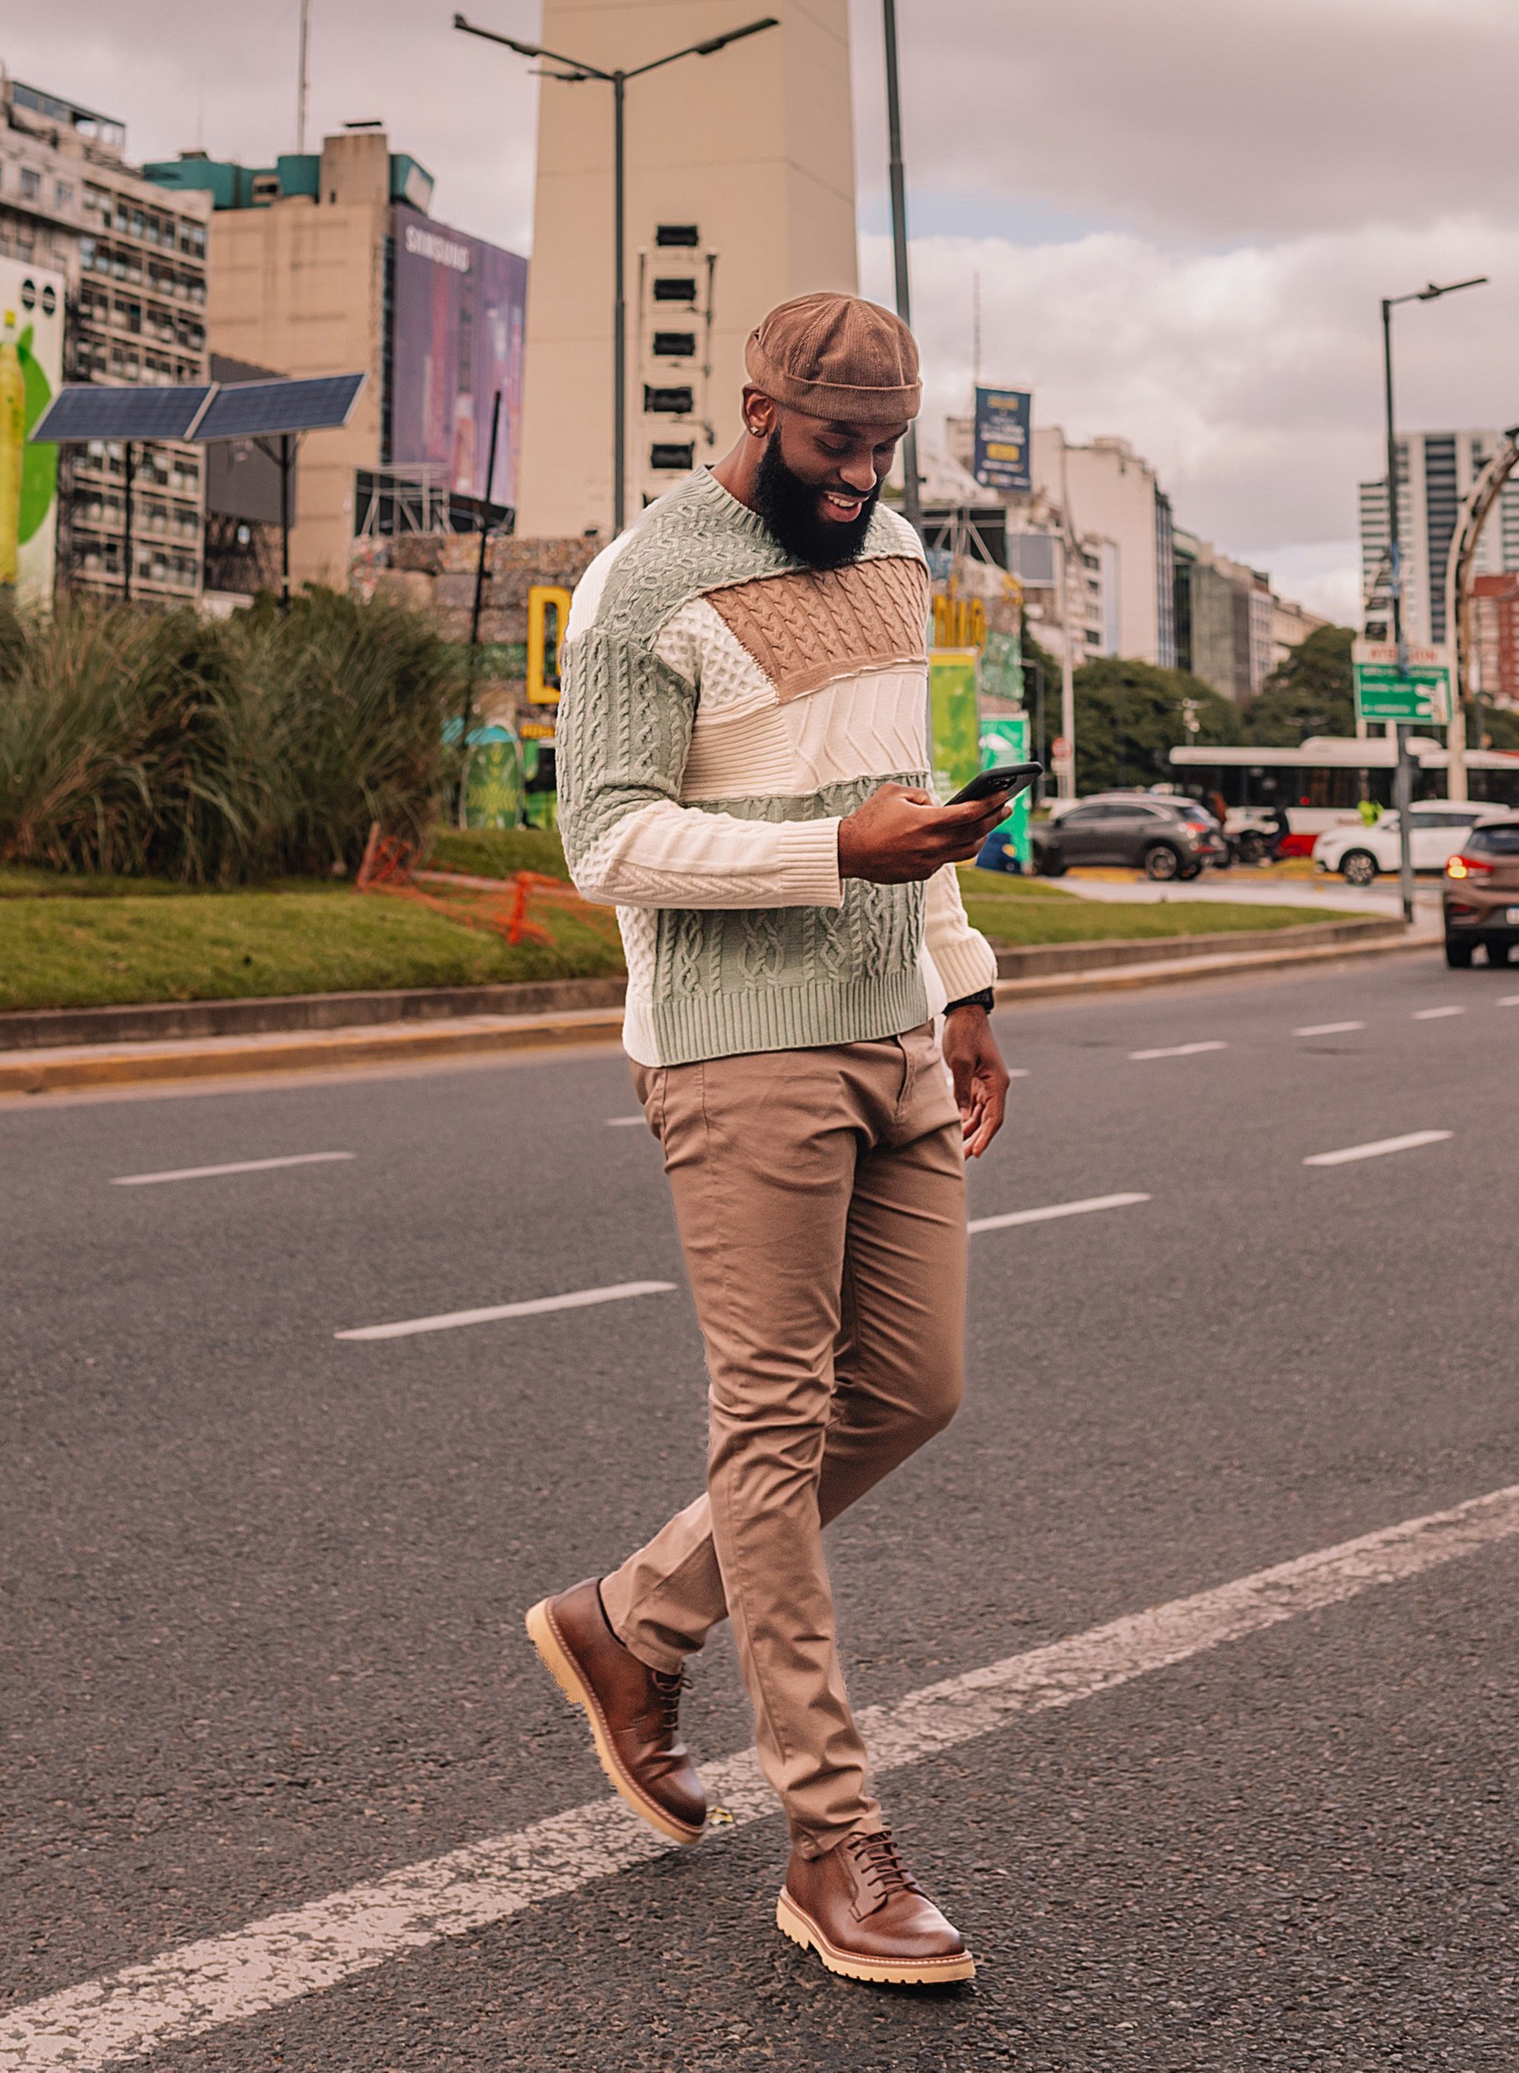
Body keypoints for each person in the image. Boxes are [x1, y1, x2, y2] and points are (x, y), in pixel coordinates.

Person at [525, 293, 1010, 1991]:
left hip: (889, 1027)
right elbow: (602, 841)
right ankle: (832, 1841)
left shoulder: (900, 558)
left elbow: (908, 780)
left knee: (916, 1387)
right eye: (831, 445)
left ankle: (633, 1621)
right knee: (777, 1416)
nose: (859, 476)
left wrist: (962, 983)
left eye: (882, 448)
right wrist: (832, 859)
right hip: (739, 1050)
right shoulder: (644, 582)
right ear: (755, 409)